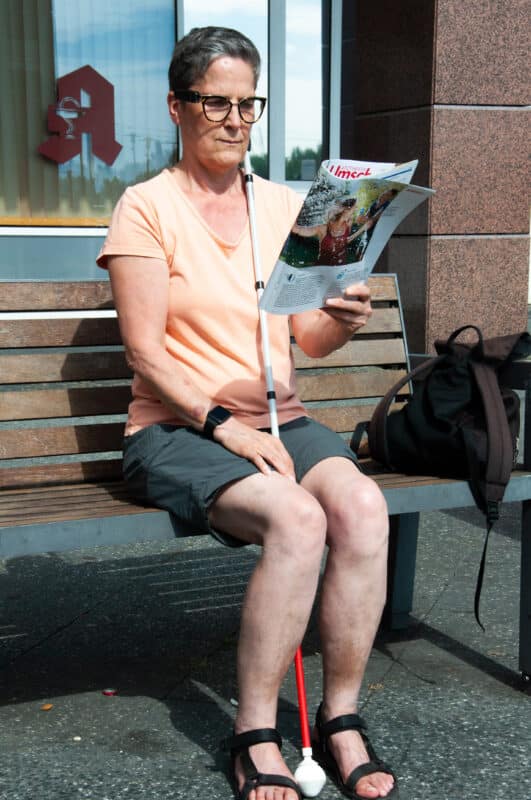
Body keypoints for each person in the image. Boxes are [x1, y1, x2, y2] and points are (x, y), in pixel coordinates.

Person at [97, 26, 397, 800]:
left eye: (247, 104)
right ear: (176, 106)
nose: (234, 119)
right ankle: (255, 733)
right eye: (215, 102)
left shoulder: (284, 206)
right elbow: (147, 356)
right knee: (297, 520)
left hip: (279, 417)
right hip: (177, 428)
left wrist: (345, 318)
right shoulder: (145, 208)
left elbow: (309, 337)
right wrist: (225, 429)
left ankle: (340, 717)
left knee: (363, 508)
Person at [292, 198, 368, 266]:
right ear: (346, 210)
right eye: (354, 207)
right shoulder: (323, 228)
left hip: (340, 268)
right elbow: (296, 229)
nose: (356, 209)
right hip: (322, 269)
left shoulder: (348, 223)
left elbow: (344, 241)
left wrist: (363, 228)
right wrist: (295, 206)